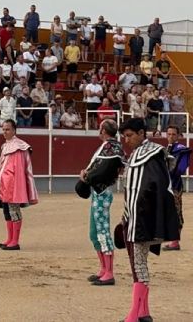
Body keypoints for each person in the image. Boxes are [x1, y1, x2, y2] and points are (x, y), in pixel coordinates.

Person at [117, 118, 180, 322]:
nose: (126, 140)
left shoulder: (150, 154)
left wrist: (142, 219)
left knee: (139, 266)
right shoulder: (141, 153)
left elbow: (153, 190)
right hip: (136, 218)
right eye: (124, 136)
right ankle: (143, 313)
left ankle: (134, 316)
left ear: (142, 133)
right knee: (139, 264)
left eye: (130, 135)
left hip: (141, 220)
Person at [76, 119, 125, 286]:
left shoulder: (111, 147)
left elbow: (103, 170)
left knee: (102, 232)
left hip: (102, 193)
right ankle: (104, 269)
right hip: (99, 193)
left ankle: (109, 273)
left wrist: (87, 177)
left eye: (100, 128)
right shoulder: (112, 147)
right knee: (94, 233)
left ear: (103, 130)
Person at [0, 119, 38, 250]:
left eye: (7, 129)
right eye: (3, 129)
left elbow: (18, 170)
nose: (4, 132)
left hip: (13, 185)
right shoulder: (6, 145)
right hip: (4, 184)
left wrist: (15, 187)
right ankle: (9, 239)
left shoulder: (19, 146)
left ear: (14, 130)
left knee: (14, 211)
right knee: (6, 211)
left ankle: (15, 241)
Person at [163, 125, 191, 251]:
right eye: (169, 134)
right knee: (167, 211)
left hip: (174, 185)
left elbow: (180, 169)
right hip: (164, 185)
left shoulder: (181, 150)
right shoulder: (165, 150)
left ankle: (175, 241)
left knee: (176, 211)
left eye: (174, 134)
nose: (171, 137)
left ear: (179, 136)